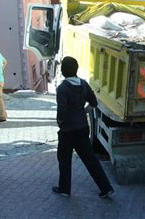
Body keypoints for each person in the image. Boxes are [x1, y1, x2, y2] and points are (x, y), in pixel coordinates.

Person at [52, 56, 114, 198]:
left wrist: (61, 122)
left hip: (67, 131)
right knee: (90, 159)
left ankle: (64, 189)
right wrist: (82, 112)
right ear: (76, 69)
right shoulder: (84, 84)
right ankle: (106, 187)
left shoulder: (62, 88)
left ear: (62, 71)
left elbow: (61, 110)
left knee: (64, 159)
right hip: (82, 128)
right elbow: (94, 103)